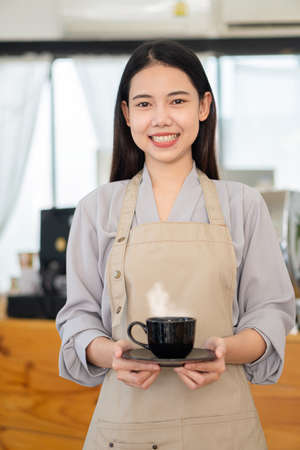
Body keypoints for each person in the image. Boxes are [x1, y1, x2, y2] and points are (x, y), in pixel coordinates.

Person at [56, 40, 295, 450]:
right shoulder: (97, 209)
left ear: (203, 107)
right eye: (145, 104)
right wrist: (110, 354)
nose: (161, 118)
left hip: (224, 427)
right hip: (124, 427)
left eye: (177, 100)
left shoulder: (243, 204)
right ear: (127, 115)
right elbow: (78, 319)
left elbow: (272, 311)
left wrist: (228, 350)